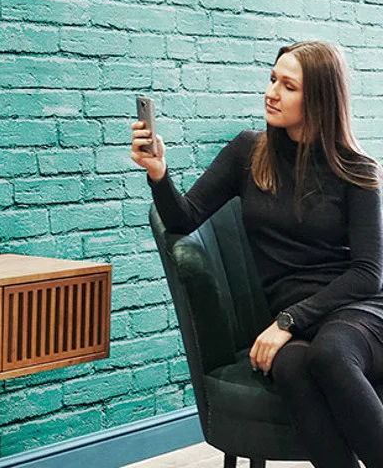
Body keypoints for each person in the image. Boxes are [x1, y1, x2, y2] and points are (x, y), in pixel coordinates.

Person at [130, 41, 383, 468]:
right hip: (296, 318)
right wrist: (159, 174)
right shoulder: (247, 152)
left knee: (328, 353)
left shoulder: (357, 170)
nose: (271, 92)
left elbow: (368, 273)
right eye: (272, 79)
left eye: (288, 86)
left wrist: (287, 322)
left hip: (356, 311)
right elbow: (183, 219)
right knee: (290, 367)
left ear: (320, 99)